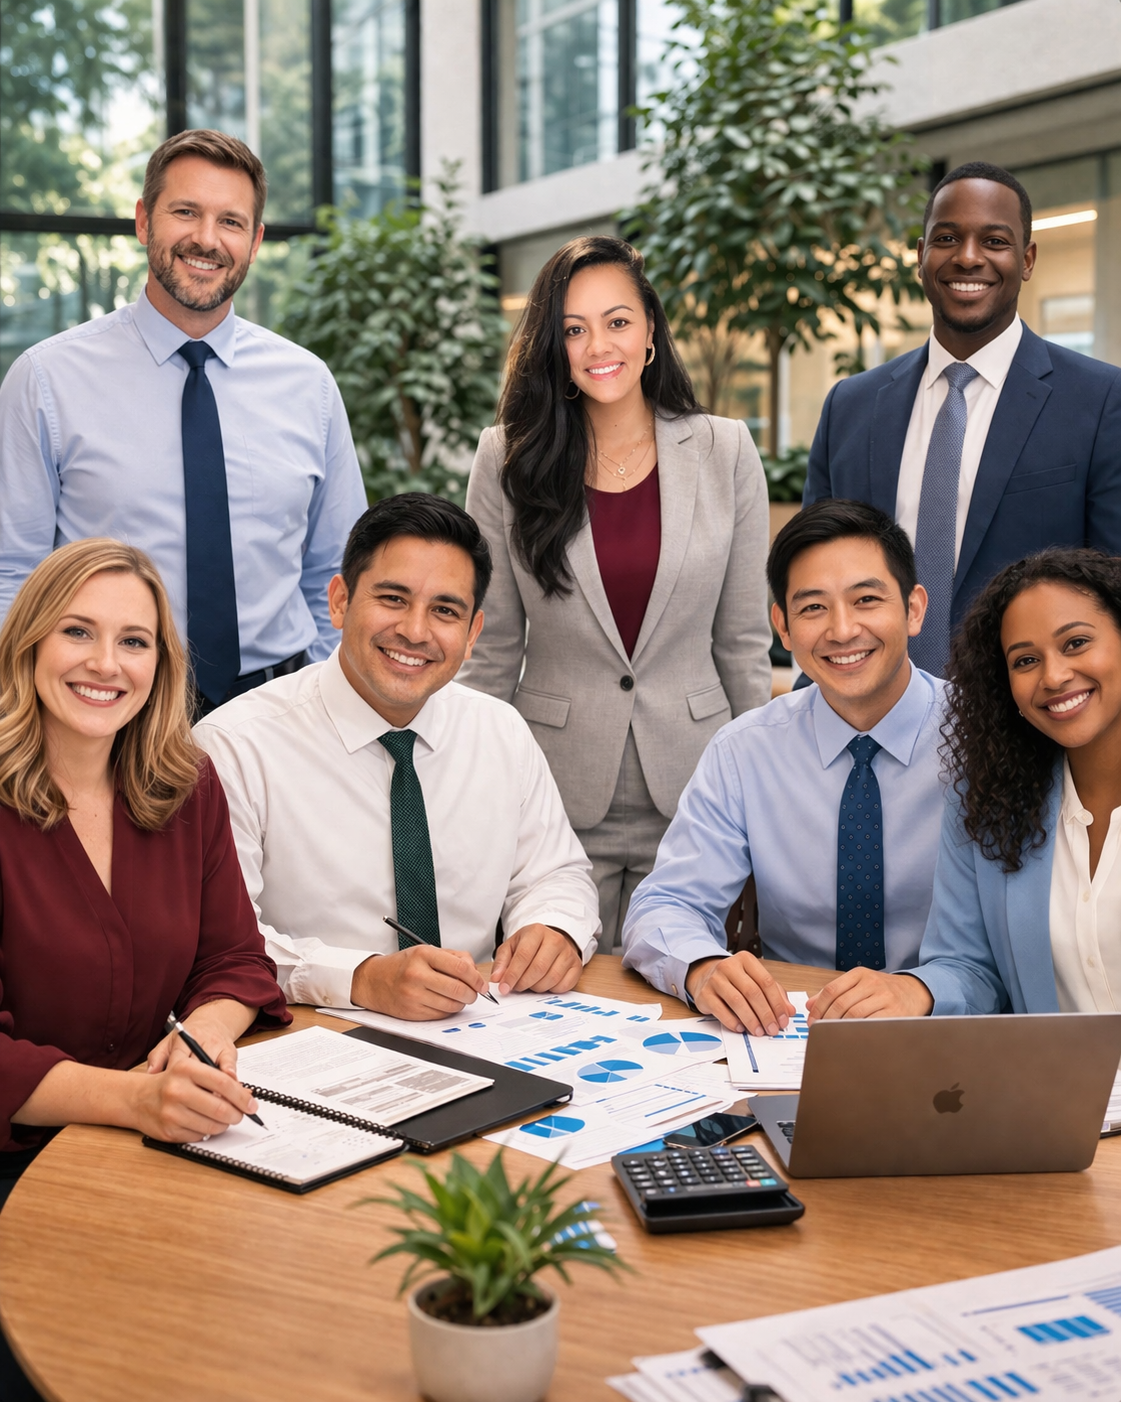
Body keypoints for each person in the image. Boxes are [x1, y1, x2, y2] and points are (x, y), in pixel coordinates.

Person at [0, 540, 289, 1399]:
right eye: (77, 632)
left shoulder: (187, 785)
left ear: (161, 665)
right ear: (27, 646)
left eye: (135, 641)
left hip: (155, 1148)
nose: (105, 664)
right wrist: (131, 1100)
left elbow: (237, 957)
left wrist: (203, 1032)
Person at [459, 236, 772, 951]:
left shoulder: (725, 451)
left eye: (617, 320)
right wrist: (477, 795)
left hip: (697, 792)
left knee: (690, 1004)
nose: (599, 344)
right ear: (553, 348)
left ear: (652, 331)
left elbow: (744, 645)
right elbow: (493, 649)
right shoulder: (507, 457)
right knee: (555, 1007)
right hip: (554, 796)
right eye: (574, 329)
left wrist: (761, 798)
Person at [0, 129, 367, 714]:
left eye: (231, 221)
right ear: (144, 221)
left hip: (280, 708)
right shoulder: (47, 380)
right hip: (109, 705)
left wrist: (318, 695)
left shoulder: (309, 385)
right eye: (186, 212)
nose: (206, 238)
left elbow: (338, 571)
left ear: (255, 241)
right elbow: (13, 572)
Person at [194, 494, 601, 1020]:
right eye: (392, 598)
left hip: (482, 1029)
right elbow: (220, 940)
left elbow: (557, 873)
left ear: (472, 633)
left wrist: (553, 926)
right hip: (307, 1030)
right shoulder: (234, 746)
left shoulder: (500, 730)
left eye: (445, 611)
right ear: (339, 602)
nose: (415, 631)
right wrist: (359, 979)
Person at [620, 500, 945, 1037]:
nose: (842, 631)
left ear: (913, 609)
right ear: (783, 627)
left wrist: (926, 988)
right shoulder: (745, 751)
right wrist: (703, 969)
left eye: (866, 600)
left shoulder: (981, 742)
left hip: (946, 1031)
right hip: (790, 1034)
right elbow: (665, 904)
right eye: (813, 608)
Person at [804, 161, 1121, 678]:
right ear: (921, 256)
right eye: (947, 237)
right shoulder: (850, 406)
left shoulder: (1102, 399)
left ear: (1027, 259)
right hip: (863, 720)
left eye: (994, 241)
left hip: (1027, 727)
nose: (968, 257)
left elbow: (1113, 591)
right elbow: (812, 574)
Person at [809, 548, 1121, 1023]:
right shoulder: (988, 798)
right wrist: (916, 990)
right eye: (1025, 660)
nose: (1054, 676)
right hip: (1058, 1090)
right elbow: (969, 965)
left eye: (1076, 643)